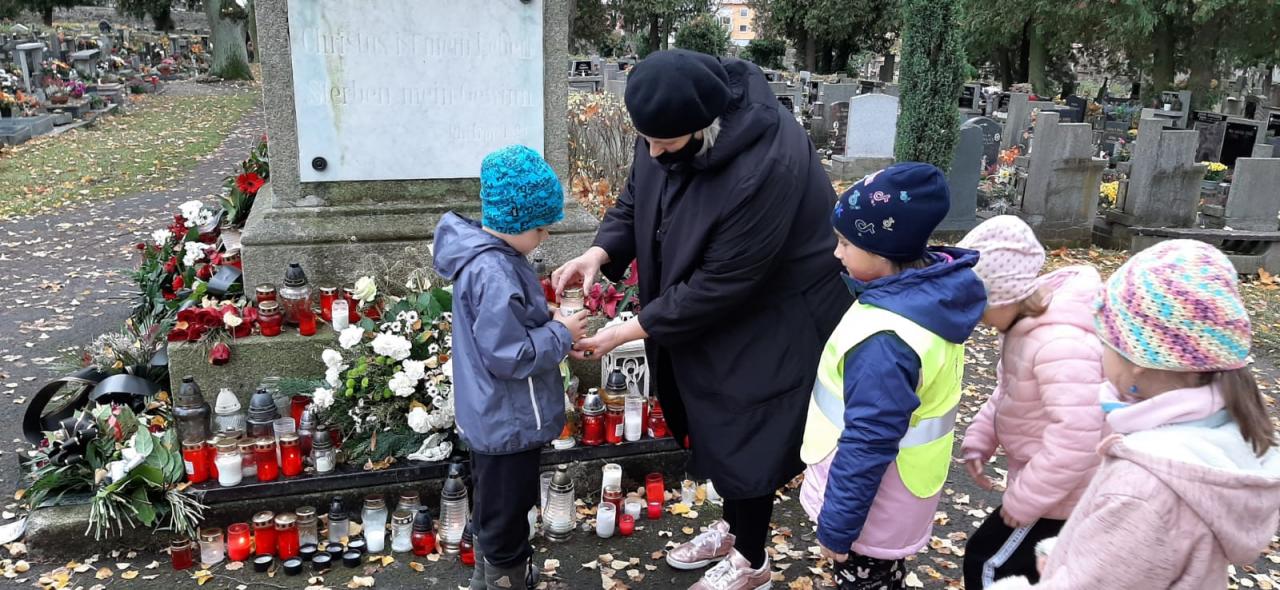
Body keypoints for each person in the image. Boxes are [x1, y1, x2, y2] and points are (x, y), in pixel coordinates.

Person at [552, 49, 851, 589]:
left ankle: (752, 560)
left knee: (746, 427)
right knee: (711, 417)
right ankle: (735, 529)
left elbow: (722, 283)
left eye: (665, 144)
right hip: (716, 299)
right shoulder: (666, 128)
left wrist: (627, 331)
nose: (652, 152)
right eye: (646, 140)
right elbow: (636, 198)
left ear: (705, 127)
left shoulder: (768, 164)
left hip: (775, 309)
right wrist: (599, 252)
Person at [988, 240, 1280, 589]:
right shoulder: (1218, 438)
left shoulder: (1143, 487)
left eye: (1104, 341)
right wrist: (1078, 554)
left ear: (1137, 358)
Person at [798, 163, 986, 589]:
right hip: (898, 496)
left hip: (872, 508)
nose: (837, 253)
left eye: (846, 243)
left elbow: (868, 440)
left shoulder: (886, 340)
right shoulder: (921, 298)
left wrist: (837, 526)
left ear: (883, 252)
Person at [433, 145, 590, 590]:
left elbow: (503, 329)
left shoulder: (492, 260)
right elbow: (509, 355)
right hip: (508, 419)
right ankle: (506, 578)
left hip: (495, 416)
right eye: (540, 229)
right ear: (515, 222)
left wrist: (551, 321)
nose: (544, 237)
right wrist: (561, 333)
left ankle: (492, 577)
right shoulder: (496, 272)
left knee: (496, 506)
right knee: (507, 512)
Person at [954, 216, 1106, 588]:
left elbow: (1077, 437)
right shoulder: (1025, 330)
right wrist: (981, 438)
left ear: (1005, 295)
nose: (976, 317)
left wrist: (1026, 498)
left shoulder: (1059, 345)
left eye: (979, 305)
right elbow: (1009, 393)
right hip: (1049, 488)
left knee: (989, 564)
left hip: (1062, 497)